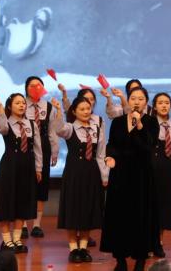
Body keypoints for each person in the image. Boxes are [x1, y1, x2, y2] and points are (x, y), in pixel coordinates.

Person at [100, 86, 161, 271]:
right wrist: (109, 157)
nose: (136, 102)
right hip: (120, 173)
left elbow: (149, 146)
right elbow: (111, 144)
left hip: (142, 175)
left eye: (141, 99)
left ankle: (140, 259)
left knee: (141, 216)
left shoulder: (151, 122)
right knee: (119, 215)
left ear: (146, 102)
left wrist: (140, 126)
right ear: (128, 100)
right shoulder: (118, 121)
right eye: (133, 98)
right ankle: (120, 259)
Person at [0, 85, 41, 254]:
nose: (22, 105)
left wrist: (38, 168)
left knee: (23, 201)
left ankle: (17, 239)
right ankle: (6, 240)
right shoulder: (6, 121)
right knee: (7, 201)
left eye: (23, 103)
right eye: (17, 103)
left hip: (27, 166)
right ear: (10, 106)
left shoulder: (32, 124)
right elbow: (2, 128)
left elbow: (37, 148)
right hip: (10, 165)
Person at [51, 95, 107, 263]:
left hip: (92, 173)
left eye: (88, 108)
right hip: (74, 173)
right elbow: (58, 129)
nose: (86, 111)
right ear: (74, 112)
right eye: (82, 109)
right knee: (73, 209)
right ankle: (73, 249)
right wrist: (58, 111)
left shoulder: (97, 129)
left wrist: (104, 176)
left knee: (88, 209)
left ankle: (83, 248)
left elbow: (101, 154)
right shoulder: (70, 128)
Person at [23, 76, 59, 240]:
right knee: (24, 185)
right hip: (24, 145)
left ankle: (37, 224)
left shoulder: (49, 107)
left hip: (44, 147)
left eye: (39, 85)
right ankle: (23, 224)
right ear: (26, 88)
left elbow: (52, 131)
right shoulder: (21, 104)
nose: (35, 88)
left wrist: (54, 151)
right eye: (32, 85)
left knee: (41, 185)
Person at [150, 92, 171, 257]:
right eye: (160, 103)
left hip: (168, 170)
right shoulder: (148, 124)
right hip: (150, 169)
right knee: (150, 206)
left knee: (164, 208)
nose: (164, 105)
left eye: (167, 102)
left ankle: (159, 243)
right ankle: (147, 242)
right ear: (154, 106)